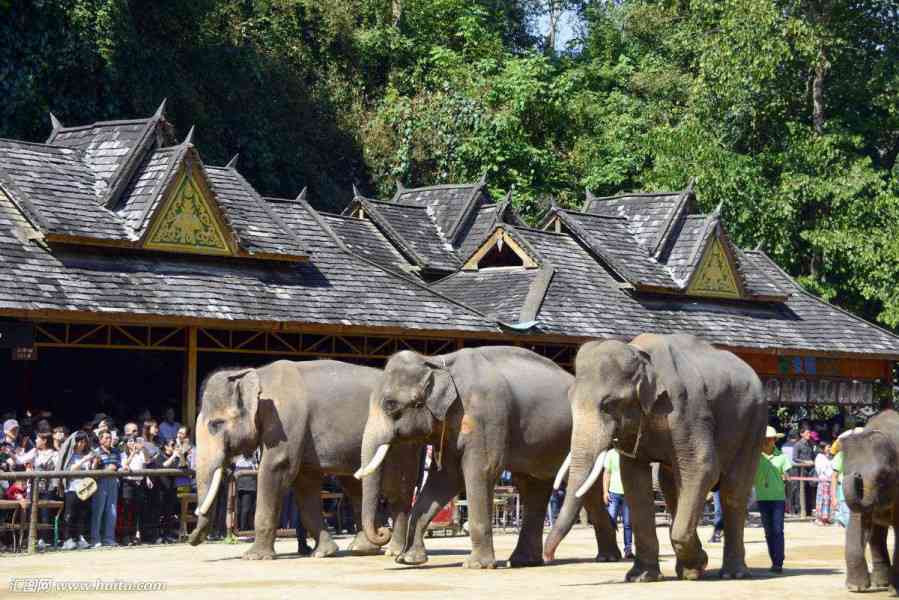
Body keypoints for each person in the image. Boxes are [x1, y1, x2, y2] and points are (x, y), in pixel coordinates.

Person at [754, 425, 792, 573]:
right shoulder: (755, 457)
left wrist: (787, 498)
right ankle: (774, 560)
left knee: (777, 530)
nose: (766, 442)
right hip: (762, 498)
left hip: (778, 499)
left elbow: (788, 478)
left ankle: (778, 561)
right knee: (768, 531)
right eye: (764, 439)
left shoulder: (782, 457)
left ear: (774, 440)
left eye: (769, 439)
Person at [61, 432, 93, 550]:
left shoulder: (86, 455)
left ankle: (79, 538)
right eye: (79, 441)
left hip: (85, 489)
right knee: (69, 514)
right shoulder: (71, 455)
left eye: (83, 441)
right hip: (72, 488)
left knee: (82, 514)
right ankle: (67, 539)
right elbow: (70, 470)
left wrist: (92, 461)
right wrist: (84, 459)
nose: (81, 444)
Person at [90, 430, 122, 548]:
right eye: (106, 438)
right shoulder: (96, 452)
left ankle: (109, 538)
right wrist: (97, 465)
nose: (109, 440)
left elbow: (117, 466)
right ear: (100, 440)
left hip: (113, 481)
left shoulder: (116, 451)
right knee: (98, 510)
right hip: (100, 483)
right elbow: (93, 470)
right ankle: (95, 539)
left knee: (112, 511)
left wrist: (109, 468)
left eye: (110, 437)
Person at [603, 448, 633, 559]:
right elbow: (607, 473)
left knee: (628, 523)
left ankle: (628, 550)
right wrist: (605, 492)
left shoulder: (629, 453)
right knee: (611, 522)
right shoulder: (610, 454)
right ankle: (610, 548)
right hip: (613, 493)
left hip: (627, 494)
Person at [120, 435, 146, 545]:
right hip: (128, 483)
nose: (132, 443)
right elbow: (125, 465)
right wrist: (133, 453)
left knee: (137, 511)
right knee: (127, 511)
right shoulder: (123, 454)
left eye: (133, 441)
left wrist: (143, 449)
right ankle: (126, 536)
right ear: (126, 443)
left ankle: (136, 534)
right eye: (130, 441)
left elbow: (145, 465)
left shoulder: (140, 454)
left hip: (139, 483)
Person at [791, 426, 816, 517]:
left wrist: (813, 462)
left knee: (809, 489)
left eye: (809, 433)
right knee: (799, 490)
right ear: (801, 434)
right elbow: (794, 458)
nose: (808, 435)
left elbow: (812, 456)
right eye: (807, 433)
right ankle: (799, 509)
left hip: (810, 471)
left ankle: (808, 510)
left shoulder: (810, 444)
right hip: (800, 470)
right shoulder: (798, 445)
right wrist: (805, 462)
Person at [814, 443, 834, 525]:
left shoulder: (829, 457)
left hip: (829, 481)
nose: (829, 448)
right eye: (828, 447)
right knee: (822, 499)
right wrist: (831, 475)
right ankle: (819, 518)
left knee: (828, 500)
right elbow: (822, 469)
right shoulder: (820, 457)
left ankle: (826, 517)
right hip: (824, 481)